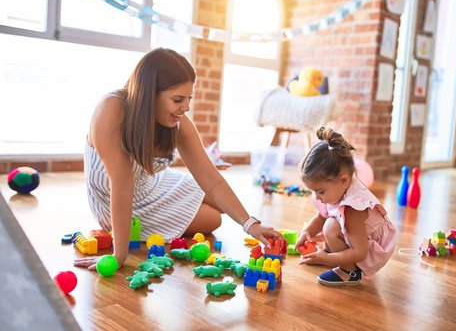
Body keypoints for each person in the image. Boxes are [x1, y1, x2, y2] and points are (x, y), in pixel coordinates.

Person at [75, 48, 281, 270]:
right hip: (116, 200)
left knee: (217, 203)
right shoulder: (111, 110)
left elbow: (211, 179)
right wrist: (119, 255)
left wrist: (250, 224)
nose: (186, 107)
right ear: (149, 93)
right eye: (178, 99)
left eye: (189, 98)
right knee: (213, 219)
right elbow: (122, 185)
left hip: (149, 186)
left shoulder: (177, 122)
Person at [294, 127, 397, 286]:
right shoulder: (336, 189)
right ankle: (333, 254)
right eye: (314, 192)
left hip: (369, 248)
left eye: (320, 191)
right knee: (330, 222)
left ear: (343, 181)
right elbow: (321, 216)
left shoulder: (354, 208)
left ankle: (350, 271)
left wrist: (327, 260)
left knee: (331, 226)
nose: (318, 198)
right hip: (356, 238)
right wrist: (306, 232)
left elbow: (360, 252)